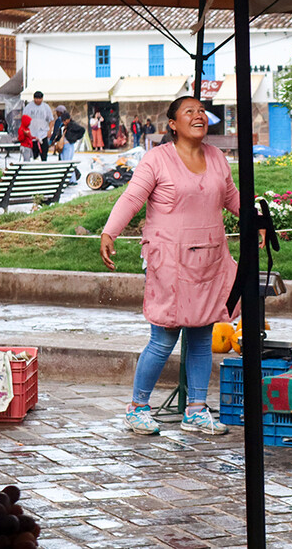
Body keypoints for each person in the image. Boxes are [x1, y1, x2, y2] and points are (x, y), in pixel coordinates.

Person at [100, 96, 241, 436]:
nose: (198, 115)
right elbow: (132, 197)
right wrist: (110, 231)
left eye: (201, 111)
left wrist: (258, 220)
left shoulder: (217, 158)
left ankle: (196, 409)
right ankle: (137, 407)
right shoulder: (157, 159)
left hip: (209, 258)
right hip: (169, 261)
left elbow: (231, 196)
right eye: (188, 111)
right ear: (173, 125)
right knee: (164, 337)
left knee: (202, 336)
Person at [23, 91, 53, 161]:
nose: (38, 100)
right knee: (34, 154)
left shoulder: (46, 107)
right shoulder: (28, 107)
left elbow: (51, 120)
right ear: (34, 98)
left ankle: (44, 167)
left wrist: (50, 130)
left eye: (40, 99)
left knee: (44, 153)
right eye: (36, 99)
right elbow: (24, 120)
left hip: (43, 134)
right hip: (32, 135)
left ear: (42, 99)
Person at [57, 112, 85, 185]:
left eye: (65, 120)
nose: (64, 122)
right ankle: (68, 179)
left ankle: (72, 180)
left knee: (68, 163)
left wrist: (74, 138)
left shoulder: (72, 125)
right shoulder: (64, 126)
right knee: (65, 162)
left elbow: (82, 130)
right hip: (64, 145)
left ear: (68, 119)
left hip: (69, 145)